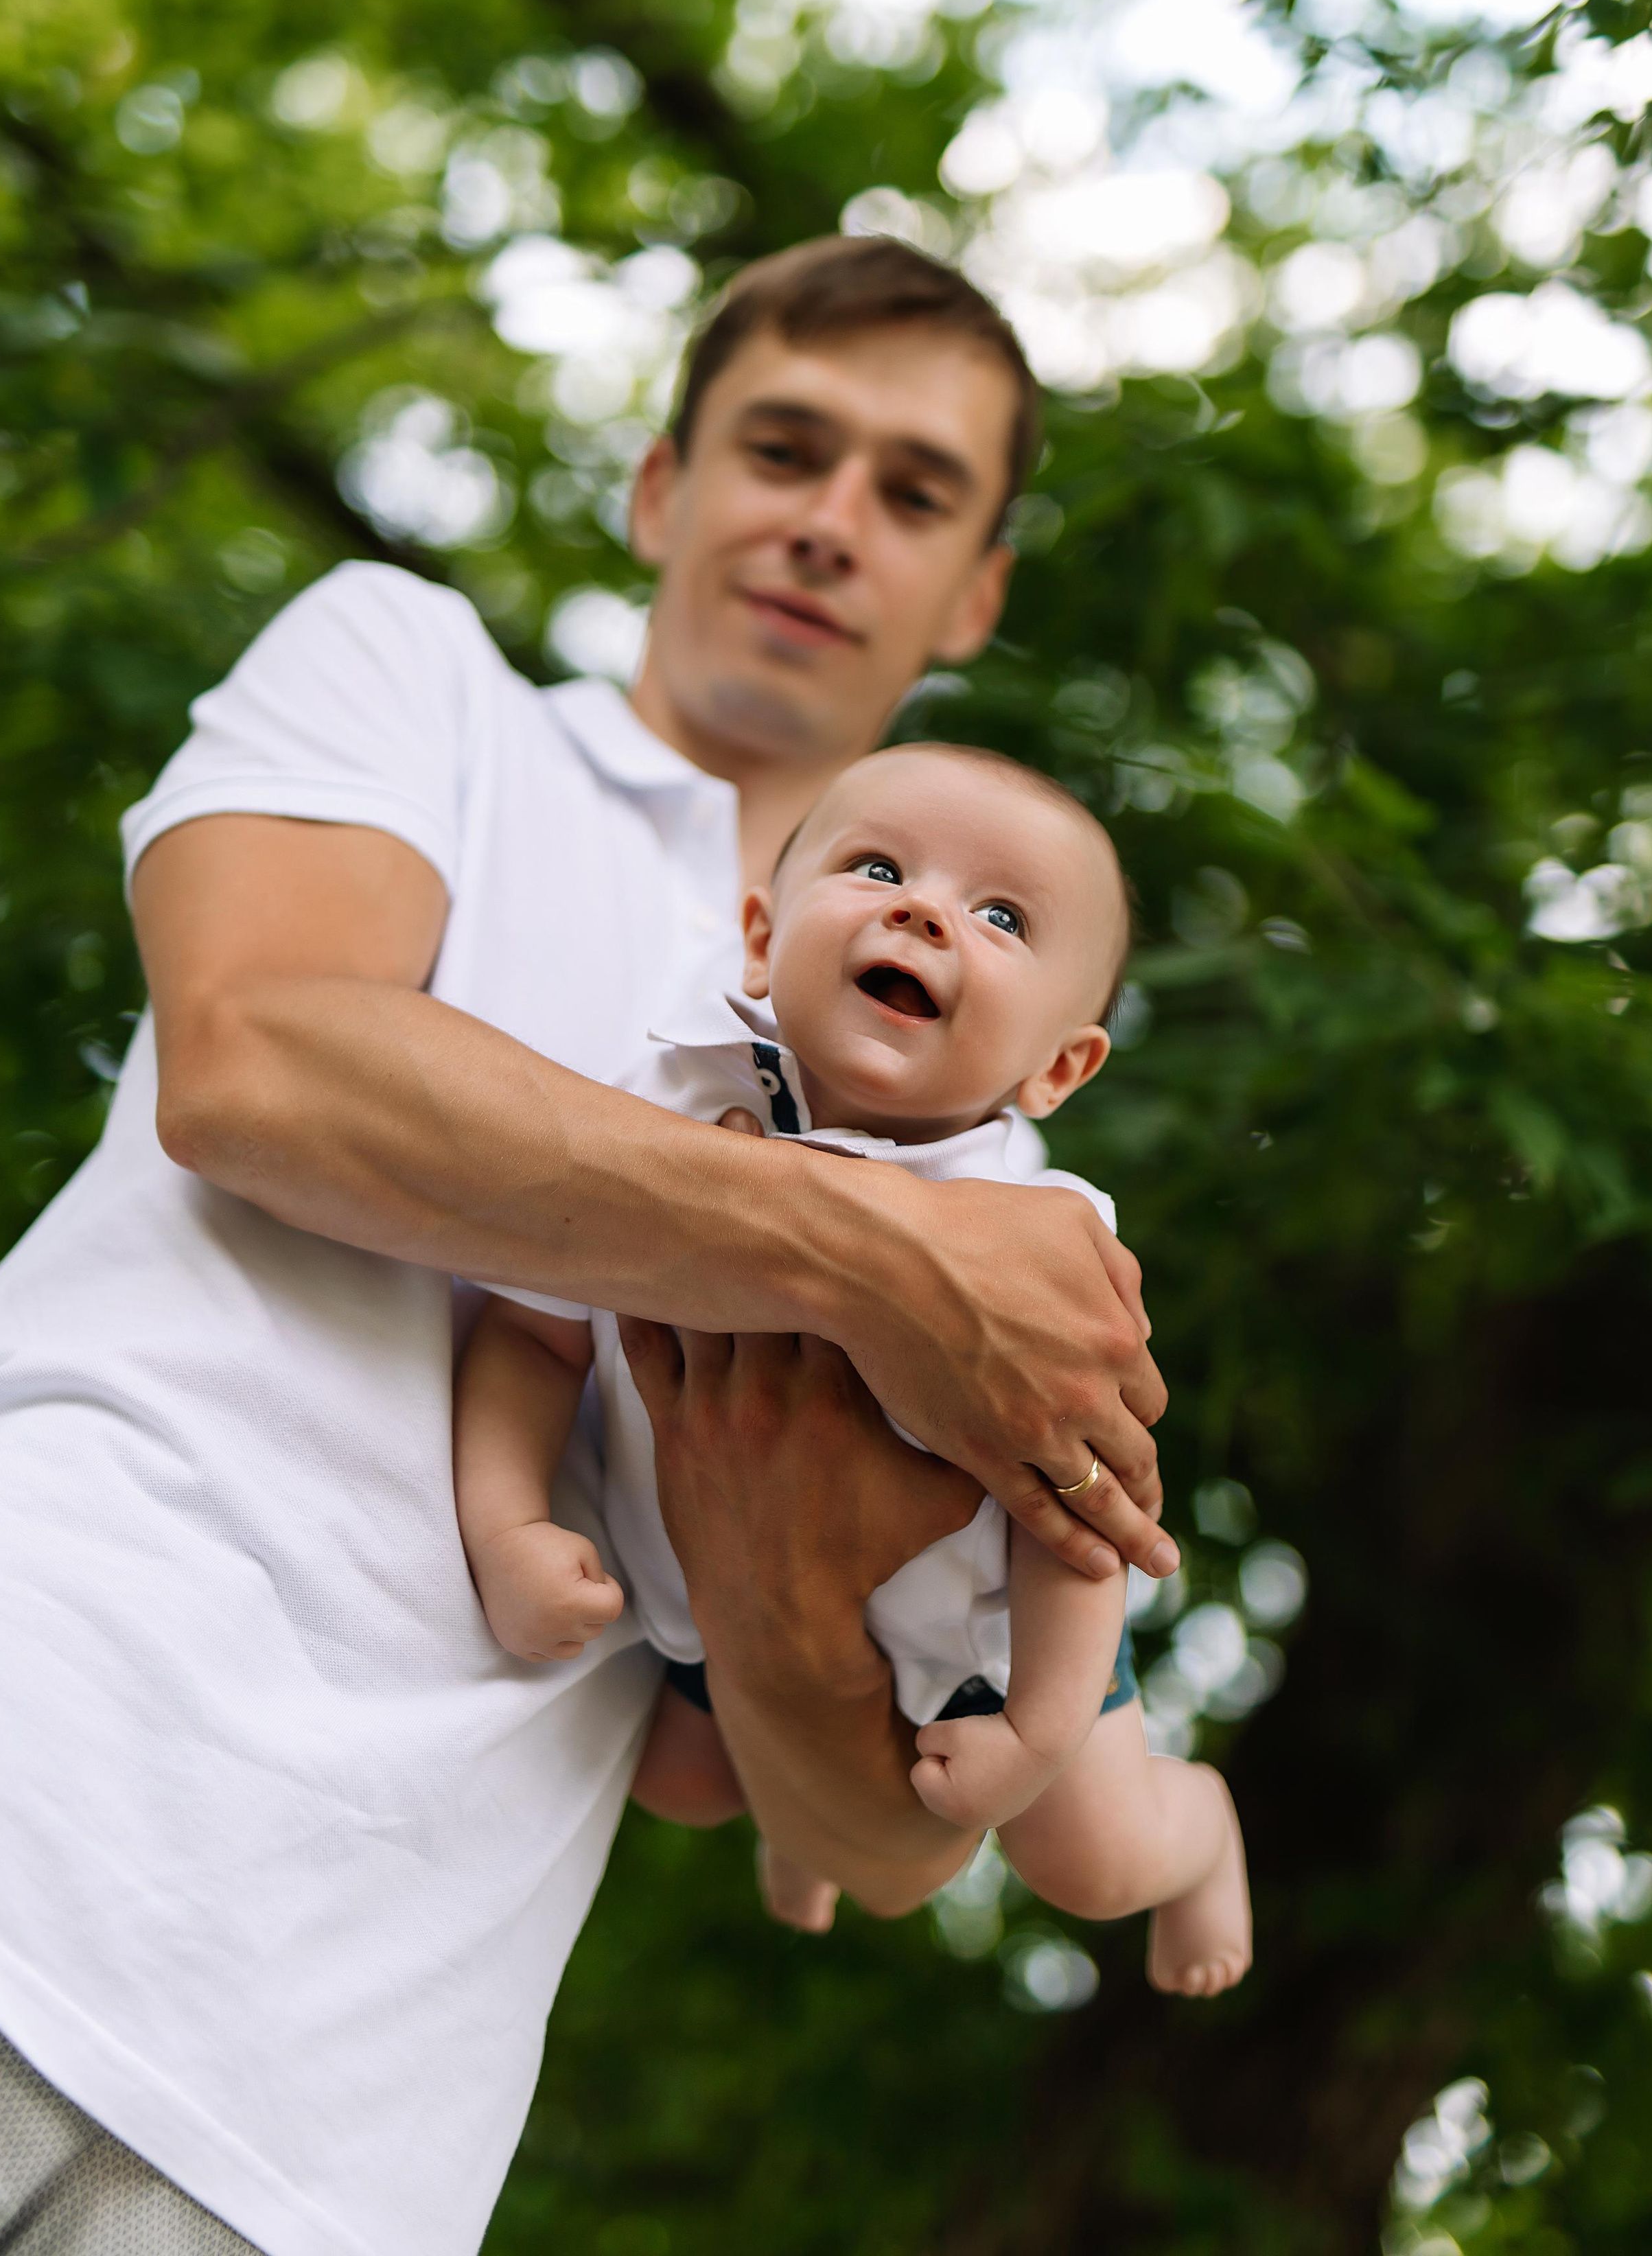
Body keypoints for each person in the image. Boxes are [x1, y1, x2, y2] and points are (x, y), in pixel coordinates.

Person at [0, 237, 1178, 2256]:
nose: (830, 519)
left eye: (915, 489)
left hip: (350, 2134)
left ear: (976, 597)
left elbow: (875, 1836)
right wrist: (874, 1262)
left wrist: (778, 1624)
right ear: (661, 489)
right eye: (784, 445)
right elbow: (260, 1060)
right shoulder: (409, 676)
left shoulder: (985, 1130)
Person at [455, 739, 1250, 1997]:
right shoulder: (663, 1110)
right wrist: (506, 1529)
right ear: (761, 939)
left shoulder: (1046, 1240)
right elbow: (534, 1327)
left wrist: (1042, 1729)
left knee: (1092, 1861)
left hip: (997, 1629)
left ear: (1058, 1068)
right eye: (878, 865)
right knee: (675, 1779)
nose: (923, 909)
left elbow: (1087, 1514)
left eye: (1000, 917)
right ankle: (798, 1823)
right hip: (718, 1582)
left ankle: (1200, 1826)